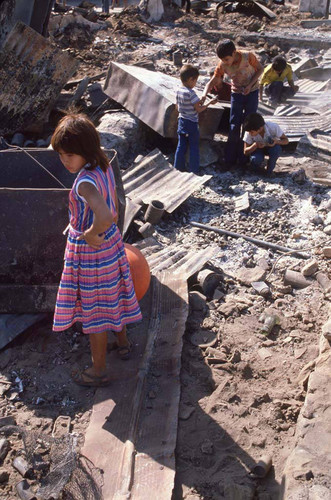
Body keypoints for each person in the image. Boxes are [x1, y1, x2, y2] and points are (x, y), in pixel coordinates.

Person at [51, 114, 142, 387]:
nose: (65, 161)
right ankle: (123, 343)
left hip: (93, 252)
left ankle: (99, 369)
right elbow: (113, 207)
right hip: (112, 243)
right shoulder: (102, 166)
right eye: (61, 155)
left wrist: (91, 233)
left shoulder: (84, 182)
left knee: (95, 310)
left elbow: (104, 215)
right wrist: (104, 228)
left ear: (85, 151)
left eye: (69, 155)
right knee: (115, 293)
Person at [202, 39, 263, 167]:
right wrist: (204, 92)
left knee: (248, 125)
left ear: (234, 53)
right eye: (223, 60)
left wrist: (250, 85)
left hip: (252, 92)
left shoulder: (248, 56)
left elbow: (260, 70)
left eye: (226, 59)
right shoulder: (223, 65)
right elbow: (214, 79)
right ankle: (229, 159)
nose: (225, 62)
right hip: (236, 93)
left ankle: (243, 159)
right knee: (234, 125)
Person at [174, 64, 217, 174]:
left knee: (181, 145)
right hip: (191, 123)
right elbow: (198, 109)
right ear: (190, 79)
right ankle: (194, 170)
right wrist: (209, 103)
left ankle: (178, 167)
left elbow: (177, 107)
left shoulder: (179, 90)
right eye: (195, 81)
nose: (195, 83)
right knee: (193, 146)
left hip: (181, 121)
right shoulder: (191, 93)